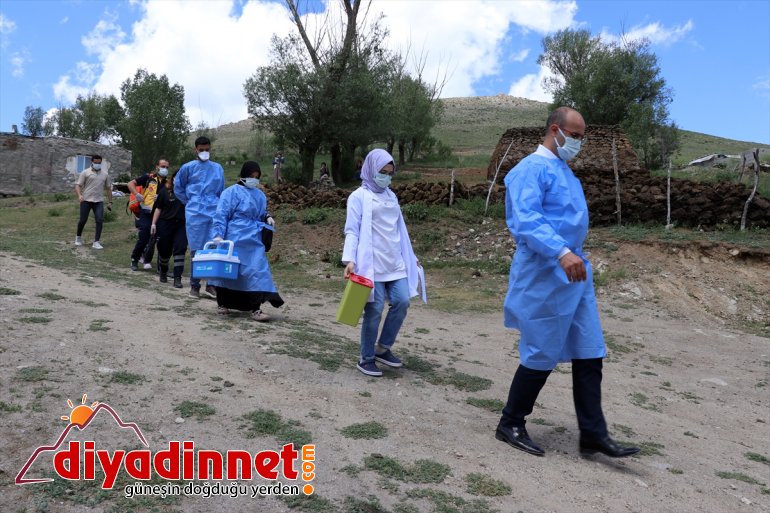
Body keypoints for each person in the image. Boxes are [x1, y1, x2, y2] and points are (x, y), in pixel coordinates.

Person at [495, 107, 640, 459]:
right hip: (544, 271)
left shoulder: (564, 171)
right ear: (555, 130)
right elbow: (527, 220)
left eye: (581, 137)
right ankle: (510, 422)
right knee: (541, 350)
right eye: (574, 136)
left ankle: (592, 434)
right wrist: (560, 252)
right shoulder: (529, 169)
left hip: (575, 272)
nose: (579, 142)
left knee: (590, 350)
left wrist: (569, 255)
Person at [342, 149, 425, 377]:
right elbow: (352, 230)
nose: (386, 177)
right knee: (375, 309)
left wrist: (410, 256)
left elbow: (399, 230)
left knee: (402, 301)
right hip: (372, 263)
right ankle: (366, 358)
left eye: (390, 173)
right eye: (382, 172)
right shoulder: (358, 196)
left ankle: (383, 348)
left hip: (394, 262)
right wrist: (350, 259)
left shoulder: (391, 196)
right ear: (370, 169)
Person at [209, 161, 283, 321]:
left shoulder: (260, 195)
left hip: (254, 239)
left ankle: (256, 308)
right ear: (243, 175)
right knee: (229, 271)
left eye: (257, 177)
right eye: (251, 176)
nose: (254, 180)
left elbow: (262, 211)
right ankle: (223, 303)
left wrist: (267, 217)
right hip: (234, 236)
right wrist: (218, 234)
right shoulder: (230, 192)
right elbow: (221, 214)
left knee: (257, 270)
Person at [174, 136, 225, 299]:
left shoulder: (217, 168)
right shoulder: (187, 168)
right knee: (196, 249)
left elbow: (221, 190)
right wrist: (190, 201)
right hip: (195, 212)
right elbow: (178, 187)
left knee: (213, 246)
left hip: (214, 210)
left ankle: (211, 285)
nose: (204, 152)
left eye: (207, 150)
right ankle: (194, 286)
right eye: (201, 150)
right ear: (195, 150)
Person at [127, 159, 168, 271]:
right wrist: (136, 194)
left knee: (160, 240)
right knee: (144, 237)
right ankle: (135, 259)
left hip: (160, 214)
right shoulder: (148, 178)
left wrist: (162, 198)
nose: (165, 169)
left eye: (167, 167)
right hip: (146, 212)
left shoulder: (168, 183)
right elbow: (130, 183)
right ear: (157, 167)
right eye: (163, 166)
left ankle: (160, 266)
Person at [151, 171, 187, 288]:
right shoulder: (165, 191)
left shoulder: (187, 192)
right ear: (173, 178)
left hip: (181, 225)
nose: (179, 179)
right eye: (177, 177)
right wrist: (153, 224)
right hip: (165, 224)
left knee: (180, 248)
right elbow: (158, 208)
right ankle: (163, 270)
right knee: (164, 249)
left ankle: (177, 278)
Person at [74, 154, 112, 249]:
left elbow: (108, 188)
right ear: (92, 162)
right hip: (86, 200)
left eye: (99, 163)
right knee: (83, 220)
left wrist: (110, 202)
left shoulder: (105, 174)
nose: (97, 164)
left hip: (98, 201)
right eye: (95, 162)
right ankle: (78, 237)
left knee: (99, 220)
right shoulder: (85, 172)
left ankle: (96, 242)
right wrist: (79, 195)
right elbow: (78, 185)